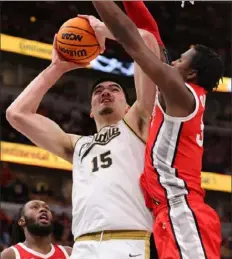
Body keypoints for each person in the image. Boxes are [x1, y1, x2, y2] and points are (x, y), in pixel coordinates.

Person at [6, 20, 160, 258]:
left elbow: (148, 41)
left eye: (114, 89)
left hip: (128, 241)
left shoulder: (138, 123)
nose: (105, 92)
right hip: (84, 247)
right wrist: (56, 68)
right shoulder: (77, 145)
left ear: (128, 105)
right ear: (90, 110)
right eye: (98, 91)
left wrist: (104, 30)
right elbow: (17, 114)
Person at [92, 1, 224, 258]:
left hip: (182, 210)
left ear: (191, 73)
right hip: (169, 213)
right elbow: (149, 34)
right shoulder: (178, 93)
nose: (172, 61)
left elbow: (133, 41)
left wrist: (100, 13)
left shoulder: (180, 92)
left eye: (180, 60)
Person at [0, 200, 72, 259]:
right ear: (22, 221)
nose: (43, 209)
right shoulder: (10, 255)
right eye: (35, 207)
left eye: (47, 208)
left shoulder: (68, 253)